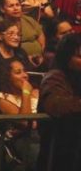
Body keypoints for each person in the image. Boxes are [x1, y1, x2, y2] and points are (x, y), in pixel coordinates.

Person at [38, 33, 81, 169]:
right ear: (66, 57)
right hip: (61, 151)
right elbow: (55, 104)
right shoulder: (54, 77)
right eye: (79, 56)